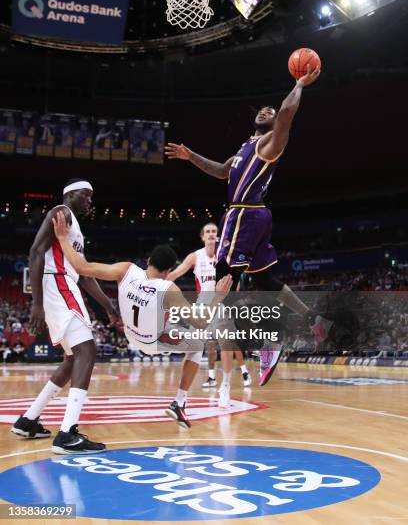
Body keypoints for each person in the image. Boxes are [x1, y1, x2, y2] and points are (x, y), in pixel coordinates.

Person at [165, 65, 328, 406]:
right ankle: (313, 320)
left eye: (270, 111)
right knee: (264, 278)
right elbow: (222, 171)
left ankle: (266, 341)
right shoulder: (246, 147)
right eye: (262, 109)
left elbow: (285, 113)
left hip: (244, 215)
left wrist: (298, 84)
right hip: (252, 216)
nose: (266, 111)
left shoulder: (272, 142)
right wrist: (189, 155)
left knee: (227, 284)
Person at [52, 210, 233, 430]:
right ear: (168, 271)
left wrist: (62, 239)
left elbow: (82, 268)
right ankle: (179, 401)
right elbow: (201, 322)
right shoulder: (168, 288)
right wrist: (218, 297)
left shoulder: (126, 269)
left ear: (148, 261)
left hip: (130, 336)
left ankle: (180, 401)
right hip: (154, 341)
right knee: (198, 343)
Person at [11, 178, 117, 454]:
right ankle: (68, 432)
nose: (90, 201)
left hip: (64, 284)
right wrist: (36, 303)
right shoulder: (62, 211)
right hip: (57, 284)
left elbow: (83, 273)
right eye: (86, 195)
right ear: (70, 195)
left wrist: (107, 304)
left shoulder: (74, 228)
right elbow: (35, 251)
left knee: (73, 358)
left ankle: (28, 420)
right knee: (87, 351)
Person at [167, 222, 252, 390]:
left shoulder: (227, 256)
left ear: (218, 236)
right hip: (202, 306)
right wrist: (155, 283)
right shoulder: (195, 256)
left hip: (222, 304)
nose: (211, 234)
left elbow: (238, 278)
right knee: (197, 346)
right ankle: (208, 379)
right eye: (208, 231)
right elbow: (176, 273)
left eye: (214, 231)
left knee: (228, 344)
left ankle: (228, 383)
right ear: (202, 236)